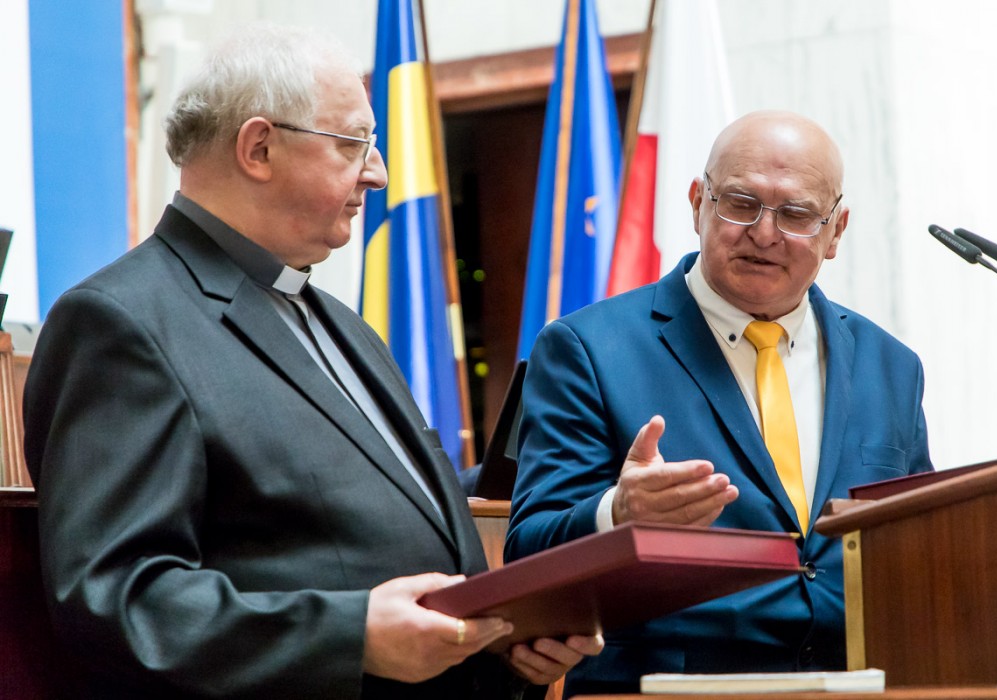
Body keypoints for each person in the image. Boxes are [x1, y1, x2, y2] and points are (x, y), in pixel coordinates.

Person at [23, 23, 600, 699]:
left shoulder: (345, 326)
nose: (378, 173)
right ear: (259, 147)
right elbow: (116, 599)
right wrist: (351, 637)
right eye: (354, 143)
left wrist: (501, 650)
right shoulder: (119, 321)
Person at [505, 110, 933, 695]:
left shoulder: (893, 367)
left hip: (861, 684)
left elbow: (916, 543)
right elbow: (528, 554)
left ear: (836, 232)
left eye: (796, 214)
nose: (764, 232)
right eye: (740, 203)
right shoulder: (587, 348)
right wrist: (617, 514)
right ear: (697, 205)